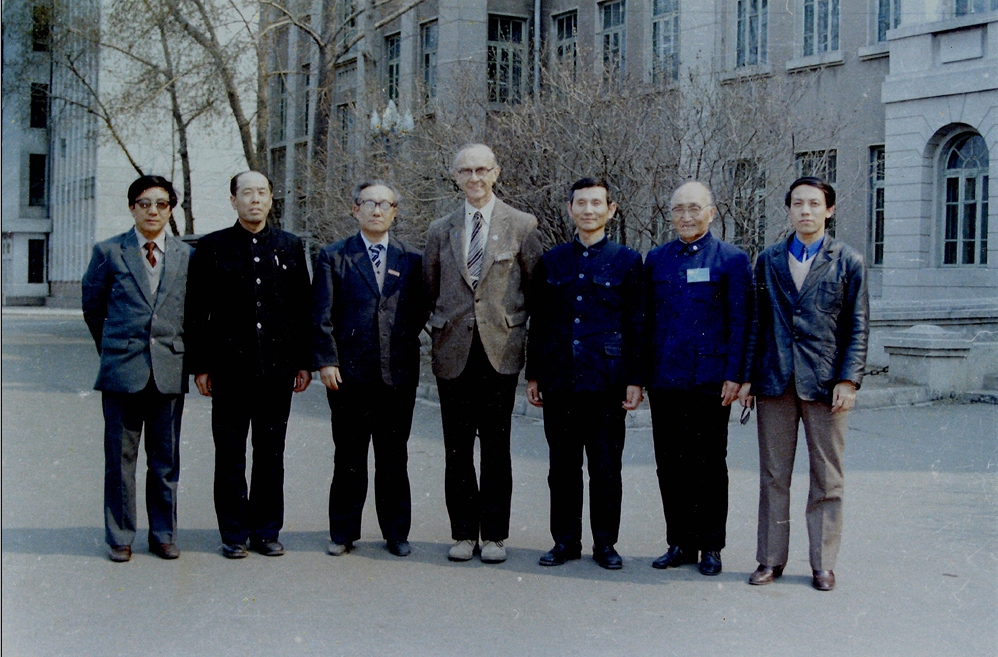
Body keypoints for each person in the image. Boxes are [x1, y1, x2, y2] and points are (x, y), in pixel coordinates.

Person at [740, 176, 869, 592]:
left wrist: (848, 379)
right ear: (789, 210)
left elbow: (857, 326)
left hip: (825, 383)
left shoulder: (848, 260)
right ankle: (770, 558)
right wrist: (748, 378)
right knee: (773, 475)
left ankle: (822, 563)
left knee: (827, 477)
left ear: (829, 210)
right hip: (775, 380)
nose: (806, 211)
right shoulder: (769, 259)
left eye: (814, 204)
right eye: (798, 203)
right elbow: (757, 322)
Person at [423, 143, 543, 563]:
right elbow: (429, 288)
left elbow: (535, 291)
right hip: (453, 351)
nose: (474, 178)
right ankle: (462, 534)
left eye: (481, 170)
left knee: (495, 447)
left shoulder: (522, 225)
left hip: (499, 351)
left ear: (495, 173)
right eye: (465, 171)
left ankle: (493, 536)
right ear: (455, 176)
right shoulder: (441, 228)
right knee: (456, 449)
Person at [186, 170, 312, 559]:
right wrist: (201, 366)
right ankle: (234, 534)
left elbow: (302, 307)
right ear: (233, 200)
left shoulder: (289, 246)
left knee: (271, 454)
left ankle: (267, 532)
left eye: (261, 193)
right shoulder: (212, 247)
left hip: (276, 370)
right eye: (246, 193)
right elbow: (197, 311)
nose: (254, 200)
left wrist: (303, 362)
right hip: (229, 370)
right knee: (230, 455)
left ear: (271, 199)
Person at [526, 178, 644, 570]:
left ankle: (605, 544)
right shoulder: (553, 260)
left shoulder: (627, 261)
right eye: (581, 203)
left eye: (596, 203)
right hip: (560, 379)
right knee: (562, 466)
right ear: (570, 209)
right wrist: (534, 375)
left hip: (607, 381)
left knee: (606, 467)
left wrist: (635, 379)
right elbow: (540, 322)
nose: (588, 210)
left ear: (611, 210)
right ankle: (565, 541)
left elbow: (636, 324)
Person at [311, 181, 427, 558]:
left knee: (394, 457)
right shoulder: (334, 256)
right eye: (368, 203)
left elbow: (418, 311)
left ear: (394, 211)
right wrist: (327, 360)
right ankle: (343, 532)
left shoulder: (412, 259)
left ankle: (396, 533)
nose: (376, 210)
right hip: (348, 376)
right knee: (349, 457)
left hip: (397, 375)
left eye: (384, 204)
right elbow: (321, 315)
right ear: (355, 209)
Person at [643, 181, 753, 576]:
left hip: (710, 379)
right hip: (665, 378)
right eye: (678, 209)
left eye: (694, 208)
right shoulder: (657, 259)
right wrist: (642, 375)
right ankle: (679, 542)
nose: (686, 216)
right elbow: (647, 321)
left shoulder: (731, 259)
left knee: (708, 464)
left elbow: (742, 322)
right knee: (670, 464)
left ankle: (710, 546)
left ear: (711, 212)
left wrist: (736, 374)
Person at [82, 175, 192, 562]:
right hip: (122, 370)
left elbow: (193, 312)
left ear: (170, 210)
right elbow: (93, 307)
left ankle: (163, 534)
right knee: (120, 460)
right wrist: (116, 349)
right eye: (144, 203)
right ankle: (120, 536)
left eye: (161, 204)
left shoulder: (185, 255)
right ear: (132, 208)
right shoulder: (109, 251)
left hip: (169, 370)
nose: (153, 211)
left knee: (165, 461)